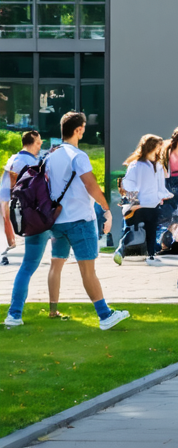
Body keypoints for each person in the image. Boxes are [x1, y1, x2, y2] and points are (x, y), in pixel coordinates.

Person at [5, 112, 129, 329]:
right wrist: (107, 209)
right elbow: (91, 185)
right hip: (79, 220)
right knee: (88, 270)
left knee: (56, 263)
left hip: (55, 221)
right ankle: (105, 315)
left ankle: (49, 309)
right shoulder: (77, 155)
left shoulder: (49, 155)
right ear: (79, 130)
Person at [114, 134, 171, 267]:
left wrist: (162, 196)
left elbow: (160, 185)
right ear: (151, 147)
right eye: (158, 146)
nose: (160, 150)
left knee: (151, 230)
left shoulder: (158, 165)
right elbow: (129, 184)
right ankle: (121, 250)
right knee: (133, 230)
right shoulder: (136, 165)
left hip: (153, 204)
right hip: (139, 205)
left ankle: (150, 254)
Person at [1, 130, 41, 266]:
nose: (40, 145)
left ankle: (7, 253)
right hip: (14, 199)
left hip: (5, 197)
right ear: (30, 144)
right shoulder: (27, 161)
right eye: (38, 142)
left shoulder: (15, 157)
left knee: (8, 229)